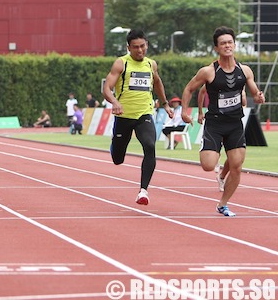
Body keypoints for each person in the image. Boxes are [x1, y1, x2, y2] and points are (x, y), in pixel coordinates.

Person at [182, 26, 264, 217]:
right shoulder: (208, 71)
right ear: (216, 48)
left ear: (234, 45)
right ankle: (212, 151)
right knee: (208, 165)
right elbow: (189, 89)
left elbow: (254, 92)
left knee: (236, 166)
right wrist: (185, 112)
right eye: (223, 43)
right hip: (215, 124)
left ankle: (223, 204)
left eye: (230, 42)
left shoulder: (244, 70)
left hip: (235, 124)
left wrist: (259, 97)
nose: (227, 46)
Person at [102, 29, 173, 205]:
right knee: (118, 159)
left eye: (142, 46)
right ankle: (115, 145)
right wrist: (114, 102)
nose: (140, 50)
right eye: (135, 47)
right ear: (128, 48)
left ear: (147, 45)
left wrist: (165, 103)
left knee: (150, 145)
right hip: (123, 116)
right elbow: (106, 88)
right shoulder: (121, 64)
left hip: (144, 113)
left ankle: (143, 191)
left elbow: (157, 82)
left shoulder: (151, 65)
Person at [197, 85, 247, 192]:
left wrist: (242, 96)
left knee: (235, 158)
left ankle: (222, 176)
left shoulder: (240, 77)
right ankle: (215, 154)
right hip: (216, 122)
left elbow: (244, 102)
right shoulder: (215, 77)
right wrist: (200, 111)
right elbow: (201, 92)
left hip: (233, 122)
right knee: (209, 161)